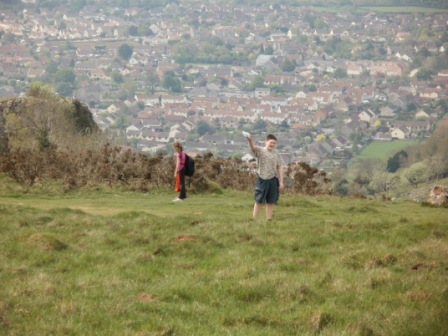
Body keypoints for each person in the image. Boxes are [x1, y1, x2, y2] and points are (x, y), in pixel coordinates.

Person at [246, 133, 284, 220]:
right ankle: (254, 219)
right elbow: (253, 148)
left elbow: (280, 166)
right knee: (259, 201)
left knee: (270, 201)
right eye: (271, 142)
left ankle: (269, 220)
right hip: (262, 178)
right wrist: (250, 140)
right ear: (265, 142)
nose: (272, 145)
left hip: (273, 179)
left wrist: (281, 182)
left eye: (274, 143)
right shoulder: (260, 150)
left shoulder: (276, 153)